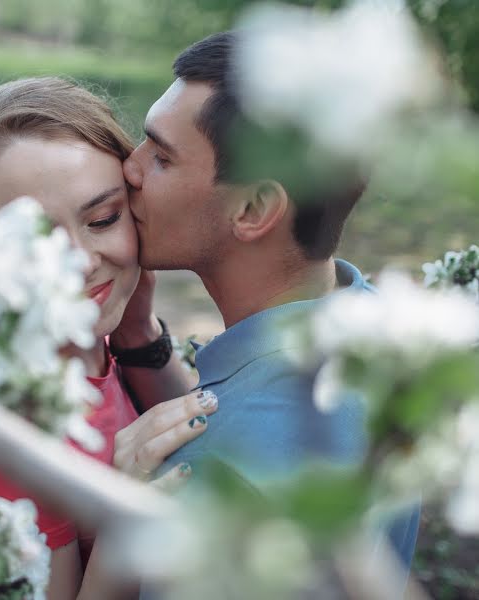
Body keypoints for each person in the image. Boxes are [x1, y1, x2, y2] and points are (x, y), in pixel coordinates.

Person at [114, 31, 420, 587]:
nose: (129, 170)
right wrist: (140, 338)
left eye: (160, 157)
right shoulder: (373, 333)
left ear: (254, 209)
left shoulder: (213, 477)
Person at [0, 77, 210, 599]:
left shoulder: (97, 342)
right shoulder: (5, 435)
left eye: (103, 218)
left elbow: (196, 435)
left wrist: (139, 334)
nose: (82, 262)